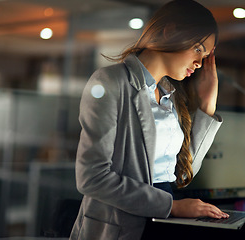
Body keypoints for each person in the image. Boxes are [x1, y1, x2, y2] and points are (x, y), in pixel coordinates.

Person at [69, 1, 231, 239]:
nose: (199, 63)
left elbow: (182, 173)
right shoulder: (110, 82)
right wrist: (172, 206)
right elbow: (92, 178)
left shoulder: (170, 97)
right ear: (170, 32)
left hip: (162, 222)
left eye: (205, 55)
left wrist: (207, 106)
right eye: (198, 48)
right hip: (119, 227)